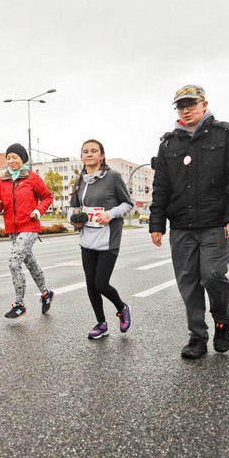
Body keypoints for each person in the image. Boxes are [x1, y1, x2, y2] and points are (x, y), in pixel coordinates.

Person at [149, 85, 229, 359]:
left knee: (213, 275)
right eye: (180, 106)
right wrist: (156, 222)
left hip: (214, 223)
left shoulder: (226, 136)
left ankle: (222, 318)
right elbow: (161, 187)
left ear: (204, 104)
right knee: (188, 283)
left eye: (191, 104)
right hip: (181, 226)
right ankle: (197, 336)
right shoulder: (169, 144)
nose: (185, 110)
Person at [68, 139, 134, 339]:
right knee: (90, 284)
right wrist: (75, 221)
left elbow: (127, 203)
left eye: (94, 151)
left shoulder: (112, 177)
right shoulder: (80, 180)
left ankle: (122, 308)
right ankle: (101, 324)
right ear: (81, 157)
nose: (89, 154)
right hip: (87, 238)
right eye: (85, 151)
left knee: (101, 284)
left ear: (102, 156)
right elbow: (74, 207)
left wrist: (110, 214)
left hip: (108, 239)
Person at [0, 143, 54, 319]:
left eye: (15, 157)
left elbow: (47, 196)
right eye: (8, 158)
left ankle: (19, 304)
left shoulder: (32, 178)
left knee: (13, 263)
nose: (11, 161)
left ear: (22, 159)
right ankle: (46, 293)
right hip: (13, 229)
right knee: (30, 263)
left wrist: (38, 211)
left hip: (30, 227)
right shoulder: (1, 181)